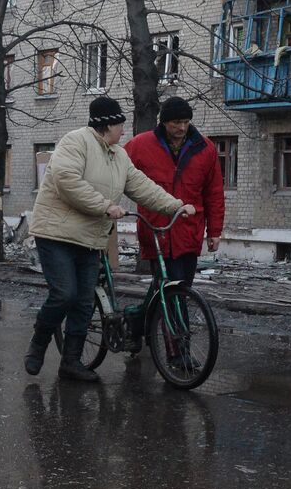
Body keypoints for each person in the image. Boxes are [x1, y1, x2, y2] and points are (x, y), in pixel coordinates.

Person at [25, 96, 194, 382]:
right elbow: (67, 180)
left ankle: (72, 362)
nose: (123, 131)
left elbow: (141, 186)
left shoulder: (118, 154)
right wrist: (105, 205)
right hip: (56, 234)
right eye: (120, 125)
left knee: (82, 301)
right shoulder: (75, 142)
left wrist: (175, 205)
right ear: (108, 125)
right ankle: (38, 343)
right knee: (64, 294)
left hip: (90, 238)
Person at [123, 96, 224, 289]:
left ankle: (146, 319)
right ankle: (174, 321)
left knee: (180, 287)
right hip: (157, 229)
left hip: (189, 230)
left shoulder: (205, 148)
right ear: (164, 122)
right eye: (176, 123)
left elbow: (214, 193)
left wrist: (215, 231)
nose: (182, 128)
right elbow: (116, 173)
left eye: (186, 122)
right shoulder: (140, 145)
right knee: (170, 289)